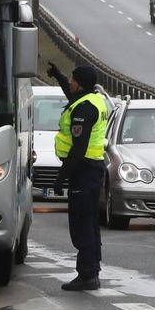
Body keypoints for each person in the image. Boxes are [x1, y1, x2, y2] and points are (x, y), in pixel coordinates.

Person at [48, 61, 109, 291]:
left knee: (82, 224)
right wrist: (59, 76)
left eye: (73, 79)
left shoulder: (84, 108)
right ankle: (92, 269)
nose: (70, 83)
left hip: (83, 169)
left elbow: (78, 147)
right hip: (91, 169)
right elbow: (71, 93)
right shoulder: (92, 99)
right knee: (90, 222)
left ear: (80, 84)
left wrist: (61, 177)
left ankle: (87, 274)